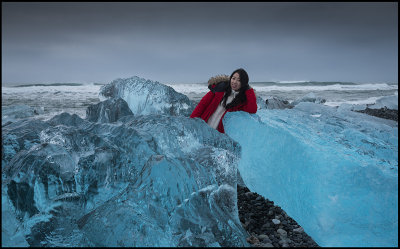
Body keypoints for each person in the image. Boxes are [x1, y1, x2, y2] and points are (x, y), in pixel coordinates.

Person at [190, 68, 257, 133]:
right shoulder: (219, 89)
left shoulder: (241, 101)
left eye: (239, 80)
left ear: (243, 83)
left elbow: (252, 109)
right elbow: (202, 105)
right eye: (233, 78)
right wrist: (191, 122)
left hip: (219, 136)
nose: (234, 82)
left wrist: (249, 89)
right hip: (203, 128)